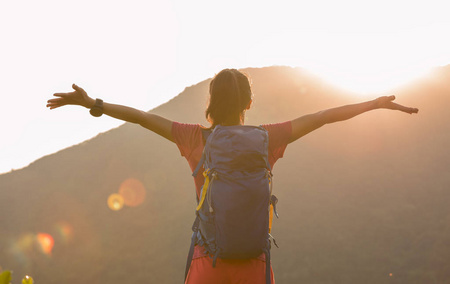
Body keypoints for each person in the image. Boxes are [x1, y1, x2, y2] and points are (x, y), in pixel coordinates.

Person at [47, 68, 418, 283]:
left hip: (208, 264)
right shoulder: (268, 138)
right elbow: (321, 116)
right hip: (254, 266)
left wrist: (93, 103)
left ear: (210, 103)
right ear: (249, 104)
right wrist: (372, 104)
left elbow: (142, 117)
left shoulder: (194, 138)